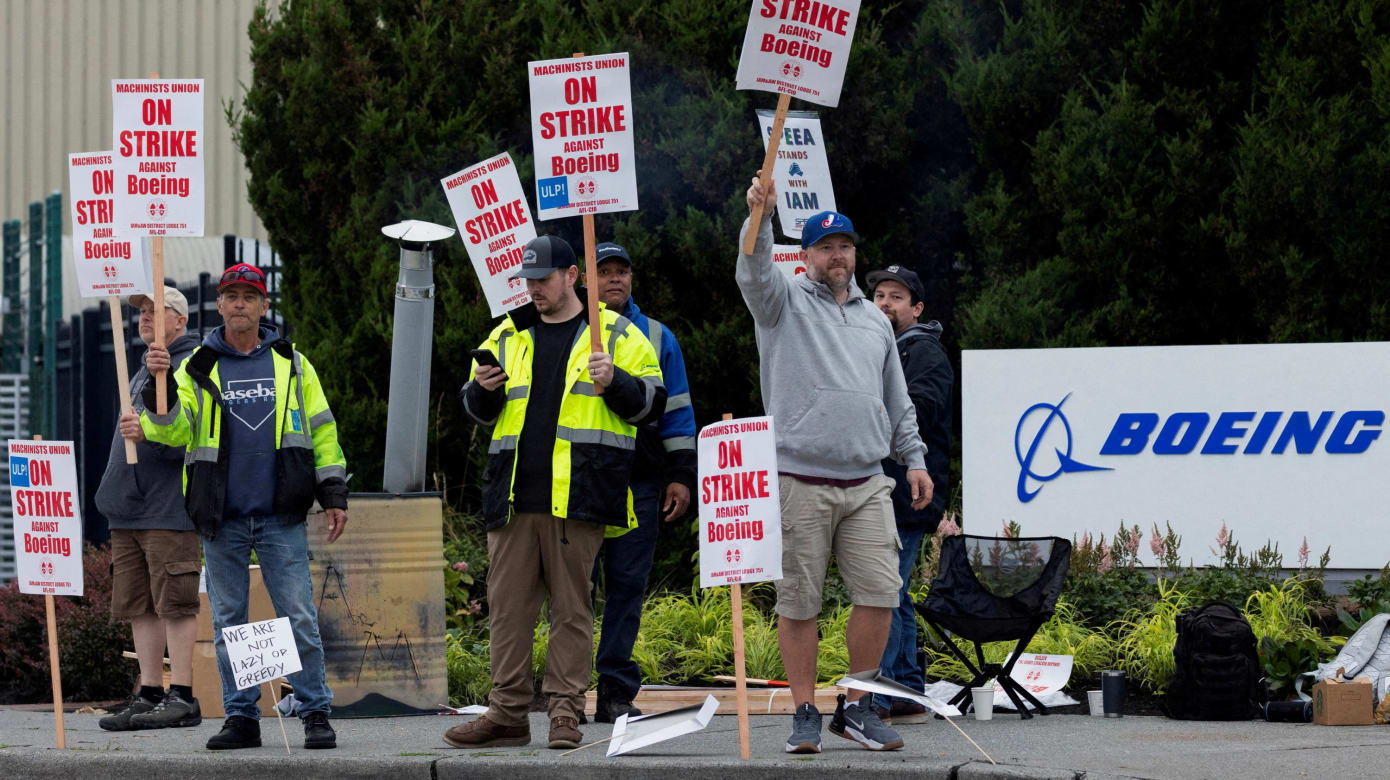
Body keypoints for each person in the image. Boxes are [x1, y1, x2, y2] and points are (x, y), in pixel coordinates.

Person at [445, 235, 665, 751]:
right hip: (514, 499)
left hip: (580, 495)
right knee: (507, 611)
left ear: (572, 276)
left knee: (572, 611)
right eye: (528, 280)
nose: (534, 289)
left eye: (543, 279)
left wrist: (617, 382)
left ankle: (565, 712)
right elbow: (474, 409)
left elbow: (652, 406)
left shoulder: (615, 333)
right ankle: (506, 714)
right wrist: (482, 388)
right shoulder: (505, 334)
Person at [737, 178, 932, 754]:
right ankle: (804, 712)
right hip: (799, 479)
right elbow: (752, 270)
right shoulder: (781, 302)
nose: (837, 255)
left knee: (880, 594)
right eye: (825, 246)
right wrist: (761, 216)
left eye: (844, 246)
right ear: (806, 256)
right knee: (799, 601)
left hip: (869, 480)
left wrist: (914, 459)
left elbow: (897, 399)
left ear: (854, 254)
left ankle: (856, 706)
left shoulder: (876, 320)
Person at [122, 263, 349, 751]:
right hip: (220, 516)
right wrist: (158, 391)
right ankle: (242, 717)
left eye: (250, 295)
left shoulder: (292, 363)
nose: (240, 303)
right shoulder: (197, 365)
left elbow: (322, 430)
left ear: (264, 306)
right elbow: (171, 433)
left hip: (279, 513)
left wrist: (333, 494)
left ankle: (315, 713)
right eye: (232, 295)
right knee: (229, 623)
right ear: (220, 305)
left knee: (300, 617)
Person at [588, 241, 697, 723]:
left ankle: (614, 692)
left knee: (628, 586)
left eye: (622, 271)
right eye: (604, 271)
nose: (615, 278)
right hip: (581, 480)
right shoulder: (569, 329)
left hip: (640, 479)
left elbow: (677, 411)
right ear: (585, 279)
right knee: (573, 589)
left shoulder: (657, 334)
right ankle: (566, 691)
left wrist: (680, 475)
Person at [96, 287, 204, 732]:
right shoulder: (143, 367)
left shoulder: (192, 364)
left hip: (168, 507)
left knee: (174, 603)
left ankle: (182, 694)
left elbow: (191, 430)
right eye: (141, 311)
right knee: (138, 603)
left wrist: (150, 429)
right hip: (130, 507)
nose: (145, 318)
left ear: (180, 321)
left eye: (157, 311)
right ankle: (150, 691)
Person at [865, 264, 954, 722]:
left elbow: (916, 411)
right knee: (893, 591)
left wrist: (865, 406)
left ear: (917, 309)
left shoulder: (923, 353)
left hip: (907, 493)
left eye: (896, 297)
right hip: (888, 491)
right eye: (879, 295)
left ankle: (885, 693)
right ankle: (903, 688)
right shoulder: (883, 350)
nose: (884, 303)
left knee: (886, 591)